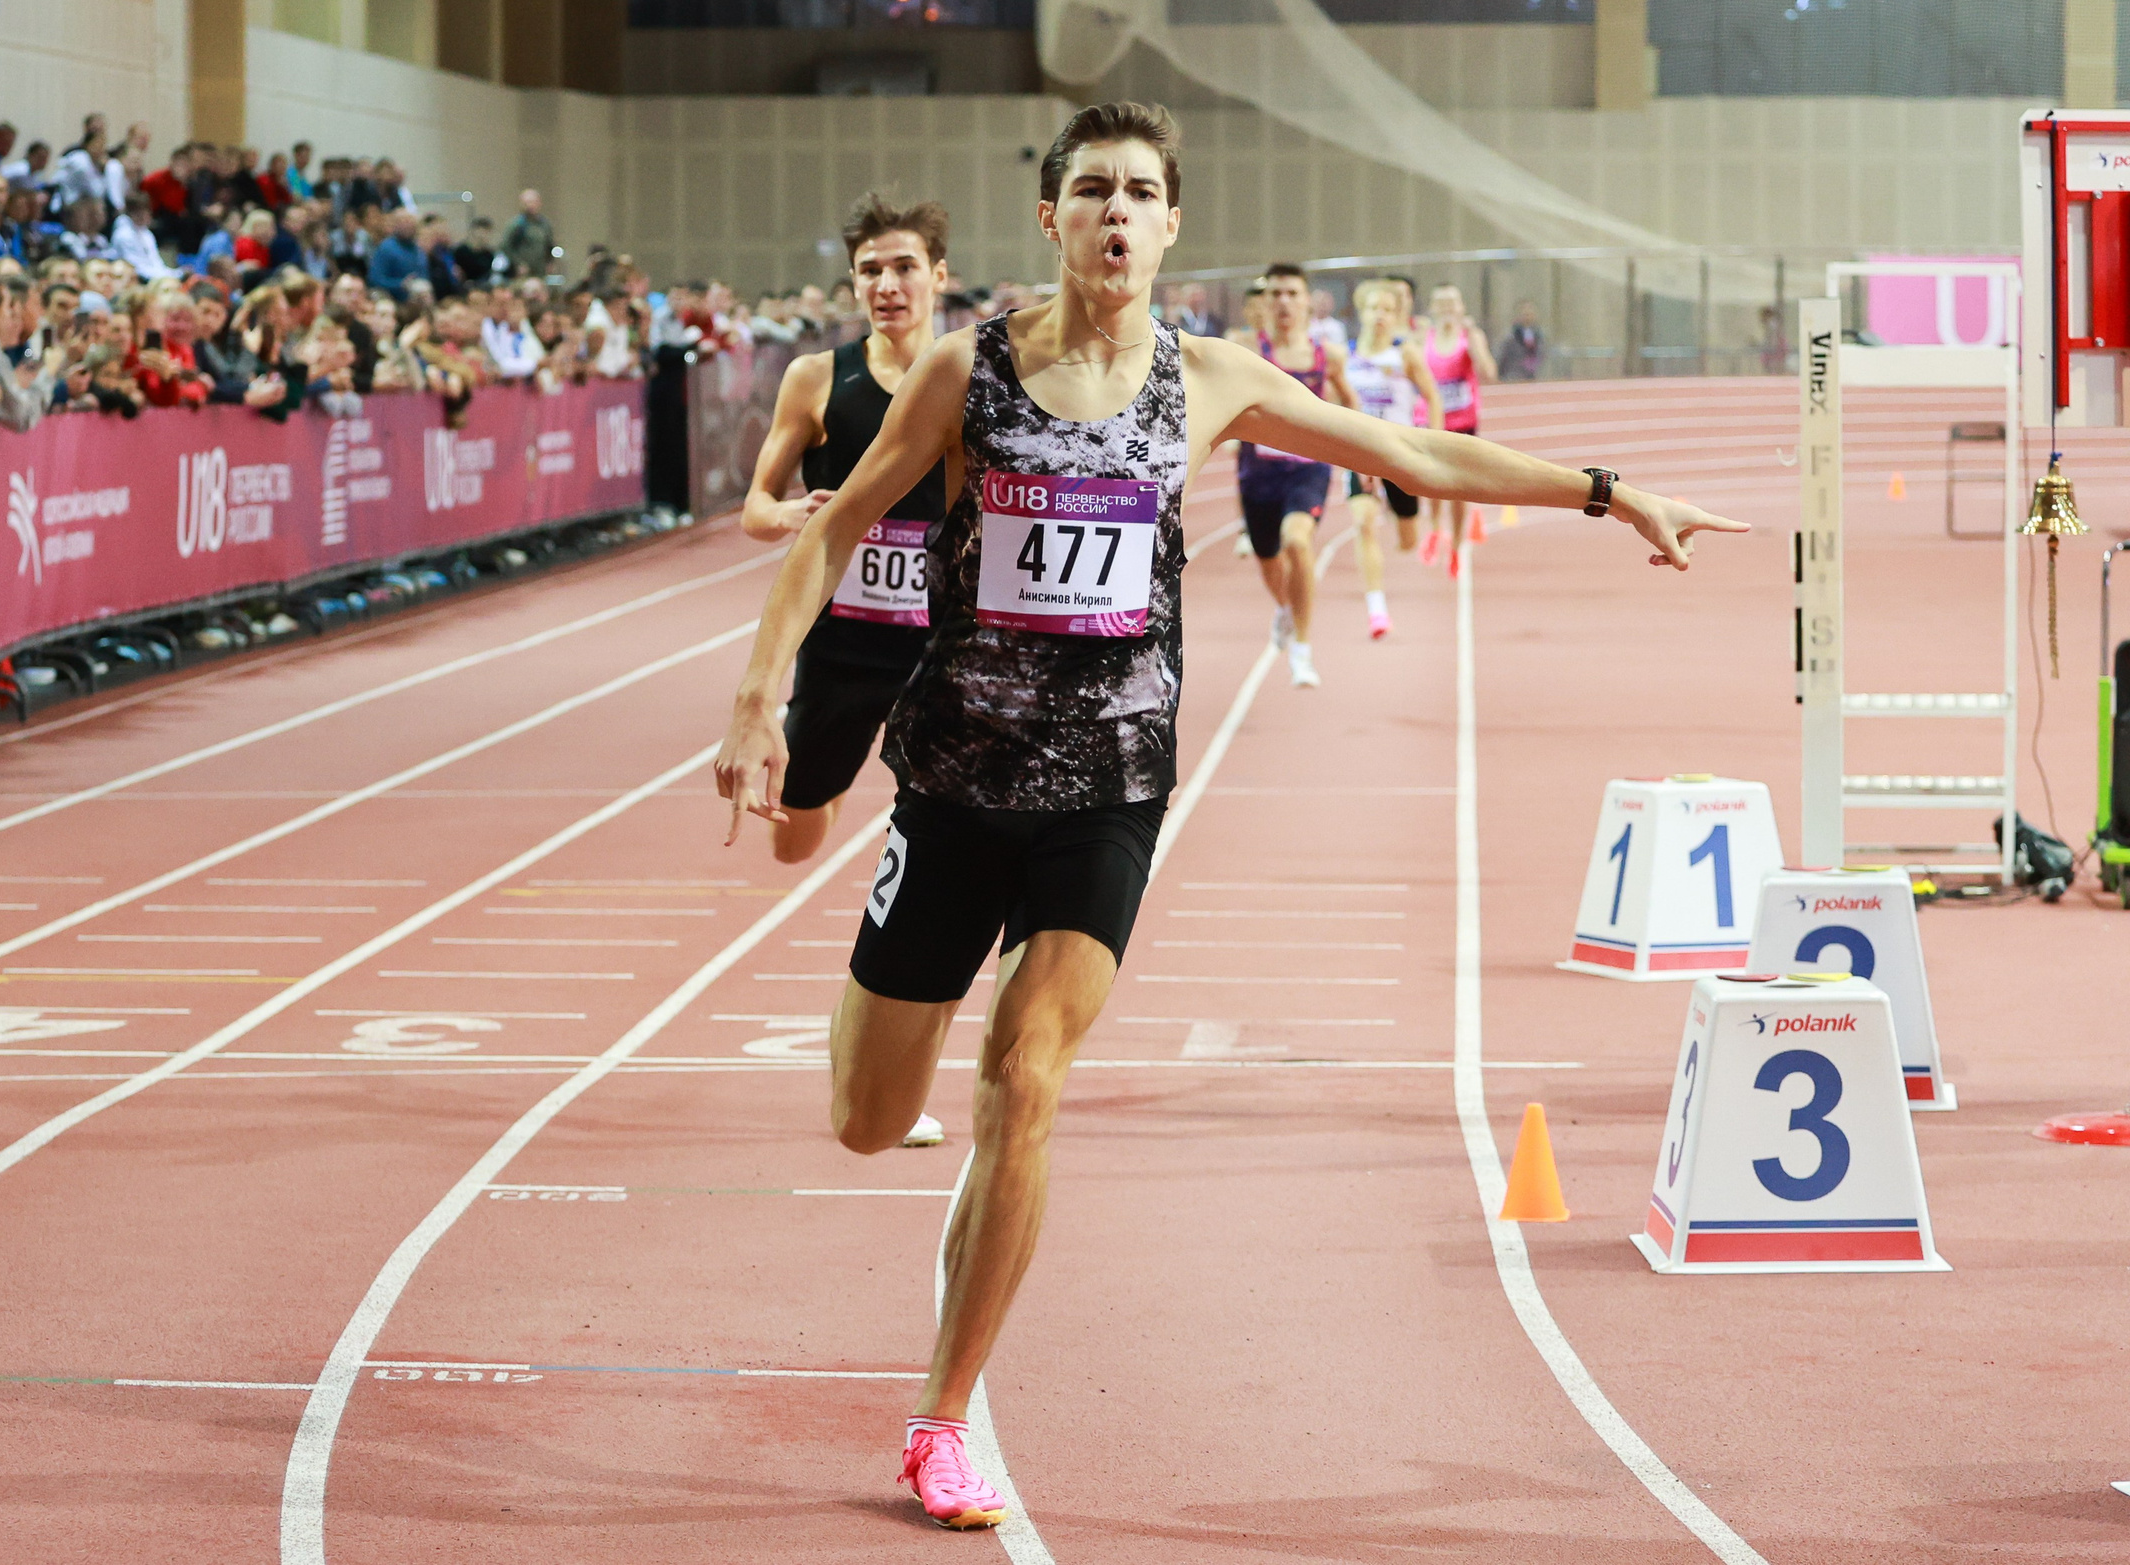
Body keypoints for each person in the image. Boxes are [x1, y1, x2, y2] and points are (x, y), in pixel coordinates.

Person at [711, 103, 1743, 1531]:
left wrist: (1609, 493)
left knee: (1027, 1077)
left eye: (1142, 192)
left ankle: (944, 1418)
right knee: (863, 1119)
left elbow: (1410, 451)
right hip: (954, 783)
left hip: (1113, 790)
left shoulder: (1209, 379)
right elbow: (833, 525)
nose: (1117, 214)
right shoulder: (973, 368)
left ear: (1172, 222)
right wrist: (760, 696)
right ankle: (912, 1087)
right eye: (1092, 191)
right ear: (1052, 220)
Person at [736, 195, 956, 1036]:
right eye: (871, 271)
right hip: (841, 650)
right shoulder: (819, 379)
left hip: (939, 651)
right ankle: (826, 790)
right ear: (853, 283)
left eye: (904, 268)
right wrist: (793, 516)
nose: (888, 285)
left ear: (938, 276)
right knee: (794, 836)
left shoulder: (968, 375)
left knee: (939, 838)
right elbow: (755, 507)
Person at [1236, 264, 1349, 687]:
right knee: (1269, 562)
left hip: (1308, 470)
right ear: (1264, 302)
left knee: (1298, 543)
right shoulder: (1244, 349)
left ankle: (1302, 649)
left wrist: (1368, 466)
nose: (1283, 301)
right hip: (1257, 475)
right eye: (1275, 293)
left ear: (1306, 302)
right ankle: (1285, 608)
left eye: (1292, 293)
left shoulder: (1327, 357)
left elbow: (1349, 409)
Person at [1339, 276, 1440, 639]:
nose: (1379, 315)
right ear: (1361, 313)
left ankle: (1404, 522)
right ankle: (1377, 609)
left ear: (1397, 316)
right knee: (1364, 523)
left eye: (1387, 309)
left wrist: (1434, 442)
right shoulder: (1346, 355)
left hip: (1399, 451)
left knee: (1408, 538)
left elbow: (1433, 396)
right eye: (1372, 308)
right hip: (1359, 452)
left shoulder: (1405, 354)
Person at [1418, 282, 1499, 575]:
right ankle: (1435, 530)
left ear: (1462, 307)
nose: (1448, 309)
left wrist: (1476, 347)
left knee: (1460, 488)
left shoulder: (1470, 337)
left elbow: (1489, 374)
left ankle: (1456, 545)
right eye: (1442, 303)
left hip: (1463, 421)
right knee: (1432, 483)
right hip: (1431, 422)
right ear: (1432, 308)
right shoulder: (1423, 338)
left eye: (1453, 303)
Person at [1496, 298, 1544, 381]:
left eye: (1530, 313)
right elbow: (1500, 360)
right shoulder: (1509, 338)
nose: (1527, 316)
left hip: (1535, 379)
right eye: (1524, 314)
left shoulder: (1540, 337)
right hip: (1513, 379)